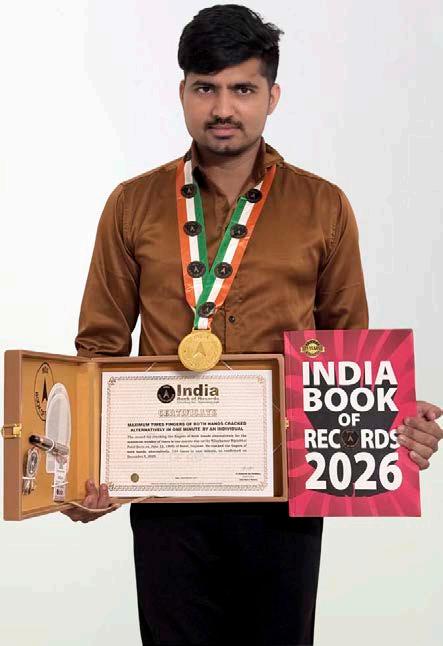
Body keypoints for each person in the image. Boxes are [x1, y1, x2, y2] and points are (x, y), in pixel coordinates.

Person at [62, 5, 443, 645]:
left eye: (242, 89)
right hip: (167, 497)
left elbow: (349, 354)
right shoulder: (131, 205)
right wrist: (79, 474)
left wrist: (396, 426)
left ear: (273, 96)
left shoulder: (324, 206)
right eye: (205, 88)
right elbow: (98, 349)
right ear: (182, 92)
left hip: (284, 498)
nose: (223, 108)